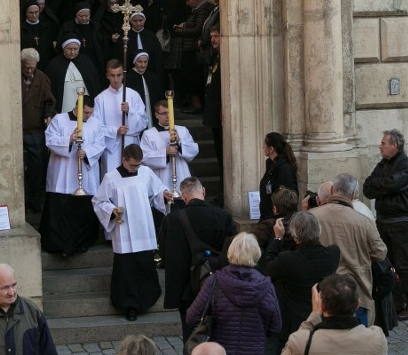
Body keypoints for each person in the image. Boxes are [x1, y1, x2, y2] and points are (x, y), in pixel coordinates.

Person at [92, 144, 173, 321]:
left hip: (143, 227)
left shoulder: (145, 172)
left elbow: (157, 190)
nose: (136, 168)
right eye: (133, 165)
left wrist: (164, 195)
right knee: (126, 269)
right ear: (124, 160)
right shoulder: (111, 177)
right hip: (124, 230)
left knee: (145, 264)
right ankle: (128, 305)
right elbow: (98, 202)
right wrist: (112, 210)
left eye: (138, 164)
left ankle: (147, 299)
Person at [160, 177, 236, 340]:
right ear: (203, 191)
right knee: (219, 329)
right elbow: (233, 249)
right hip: (217, 283)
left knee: (190, 333)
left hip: (185, 288)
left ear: (184, 197)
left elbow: (163, 253)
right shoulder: (223, 216)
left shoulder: (172, 219)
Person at [186, 232, 281, 355]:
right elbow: (275, 327)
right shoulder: (266, 286)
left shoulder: (214, 281)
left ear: (230, 253)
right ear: (256, 254)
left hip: (220, 350)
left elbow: (191, 318)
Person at [311, 173, 387, 326]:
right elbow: (380, 253)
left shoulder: (312, 217)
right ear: (352, 194)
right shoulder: (364, 222)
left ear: (332, 191)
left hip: (322, 293)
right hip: (356, 293)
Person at [260, 211, 341, 354]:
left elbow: (267, 269)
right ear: (319, 230)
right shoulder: (333, 254)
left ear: (294, 235)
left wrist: (278, 238)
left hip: (293, 323)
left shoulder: (288, 260)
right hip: (321, 318)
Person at [363, 128, 408, 320]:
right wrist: (384, 185)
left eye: (383, 143)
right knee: (388, 264)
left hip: (401, 223)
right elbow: (368, 187)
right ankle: (396, 303)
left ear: (394, 145)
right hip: (384, 220)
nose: (380, 146)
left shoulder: (406, 165)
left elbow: (391, 185)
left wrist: (383, 186)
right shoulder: (383, 163)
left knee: (402, 265)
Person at [40, 95, 106, 256]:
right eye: (85, 112)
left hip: (85, 173)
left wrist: (87, 152)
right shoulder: (59, 119)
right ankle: (58, 245)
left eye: (90, 113)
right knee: (61, 210)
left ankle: (81, 243)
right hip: (62, 173)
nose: (88, 116)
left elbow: (100, 144)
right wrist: (68, 140)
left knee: (82, 211)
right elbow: (49, 140)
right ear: (77, 107)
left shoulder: (95, 123)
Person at [281, 274, 387, 355]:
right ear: (358, 304)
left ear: (321, 305)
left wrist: (314, 315)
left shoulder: (301, 341)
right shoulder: (376, 338)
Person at [93, 59, 148, 175]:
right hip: (111, 147)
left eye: (118, 75)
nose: (116, 79)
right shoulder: (100, 99)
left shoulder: (133, 95)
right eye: (112, 76)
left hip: (130, 143)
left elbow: (143, 122)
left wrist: (129, 112)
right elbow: (95, 127)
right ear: (107, 76)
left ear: (123, 75)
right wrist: (115, 131)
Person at [20, 48, 56, 212]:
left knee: (37, 166)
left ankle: (33, 199)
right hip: (18, 129)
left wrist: (48, 115)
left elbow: (50, 101)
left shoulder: (42, 78)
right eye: (26, 67)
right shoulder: (14, 75)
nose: (29, 70)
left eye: (32, 67)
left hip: (35, 130)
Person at [141, 99, 200, 194]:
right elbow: (145, 158)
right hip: (161, 177)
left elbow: (194, 150)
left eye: (170, 113)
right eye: (164, 113)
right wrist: (165, 152)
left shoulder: (182, 130)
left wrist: (180, 143)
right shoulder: (148, 134)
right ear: (156, 115)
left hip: (181, 173)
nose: (168, 116)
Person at [172, 0, 213, 113]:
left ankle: (197, 105)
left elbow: (198, 29)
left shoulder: (203, 10)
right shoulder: (196, 10)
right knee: (188, 78)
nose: (187, 3)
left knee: (193, 79)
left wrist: (181, 30)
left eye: (189, 0)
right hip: (189, 48)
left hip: (195, 49)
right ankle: (193, 104)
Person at [46, 37, 100, 112]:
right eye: (69, 49)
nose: (72, 52)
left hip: (84, 108)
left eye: (75, 49)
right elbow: (50, 90)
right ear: (63, 48)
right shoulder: (54, 64)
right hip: (64, 107)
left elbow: (94, 85)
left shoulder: (86, 62)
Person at [58, 2, 107, 76]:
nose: (84, 18)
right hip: (74, 60)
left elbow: (103, 44)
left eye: (86, 16)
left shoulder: (95, 26)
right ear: (76, 15)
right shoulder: (67, 27)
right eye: (81, 16)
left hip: (94, 61)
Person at [258, 132, 298, 220]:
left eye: (264, 145)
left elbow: (284, 198)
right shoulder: (271, 164)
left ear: (271, 149)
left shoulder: (285, 169)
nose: (262, 147)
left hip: (277, 220)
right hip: (267, 217)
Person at [202, 26, 223, 189]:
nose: (213, 40)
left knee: (223, 154)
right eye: (211, 37)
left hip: (220, 114)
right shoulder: (217, 57)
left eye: (216, 36)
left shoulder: (224, 59)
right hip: (214, 114)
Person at [126, 52, 165, 128]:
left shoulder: (153, 77)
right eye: (140, 62)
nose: (143, 65)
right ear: (134, 62)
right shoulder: (128, 78)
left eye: (145, 62)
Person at [20, 1, 55, 71]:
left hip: (45, 65)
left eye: (36, 12)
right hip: (27, 66)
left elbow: (50, 48)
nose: (34, 15)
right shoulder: (21, 28)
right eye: (31, 13)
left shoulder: (46, 27)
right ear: (25, 13)